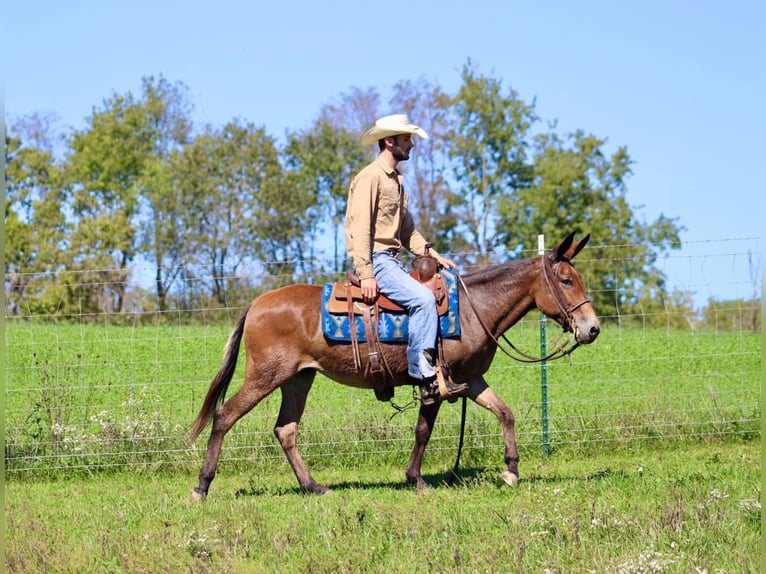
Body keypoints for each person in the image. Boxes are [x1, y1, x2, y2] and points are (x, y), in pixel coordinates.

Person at [344, 114, 468, 405]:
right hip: (378, 261)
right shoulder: (370, 178)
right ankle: (422, 372)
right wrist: (367, 273)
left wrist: (433, 255)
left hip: (392, 260)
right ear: (389, 141)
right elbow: (359, 227)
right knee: (424, 300)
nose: (411, 144)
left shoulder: (397, 183)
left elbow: (407, 230)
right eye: (407, 139)